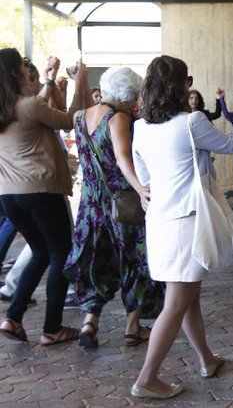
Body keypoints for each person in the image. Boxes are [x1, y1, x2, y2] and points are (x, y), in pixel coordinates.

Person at [130, 55, 233, 399]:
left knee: (188, 296)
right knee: (178, 302)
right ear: (181, 85)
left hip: (160, 222)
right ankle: (147, 378)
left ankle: (206, 359)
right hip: (186, 222)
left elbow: (145, 178)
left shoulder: (141, 127)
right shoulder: (192, 122)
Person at [65, 66, 164, 349]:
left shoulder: (80, 116)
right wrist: (141, 189)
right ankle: (133, 328)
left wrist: (79, 83)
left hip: (90, 205)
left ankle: (90, 322)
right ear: (126, 95)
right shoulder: (118, 117)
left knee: (96, 260)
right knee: (135, 259)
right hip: (120, 204)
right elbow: (122, 159)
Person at [0, 52, 88, 346]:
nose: (27, 70)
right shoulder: (28, 106)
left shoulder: (7, 108)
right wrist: (81, 84)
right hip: (40, 191)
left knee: (40, 251)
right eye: (24, 67)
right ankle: (52, 328)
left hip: (9, 196)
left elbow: (38, 104)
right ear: (15, 73)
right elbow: (69, 121)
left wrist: (49, 79)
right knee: (62, 253)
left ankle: (12, 318)